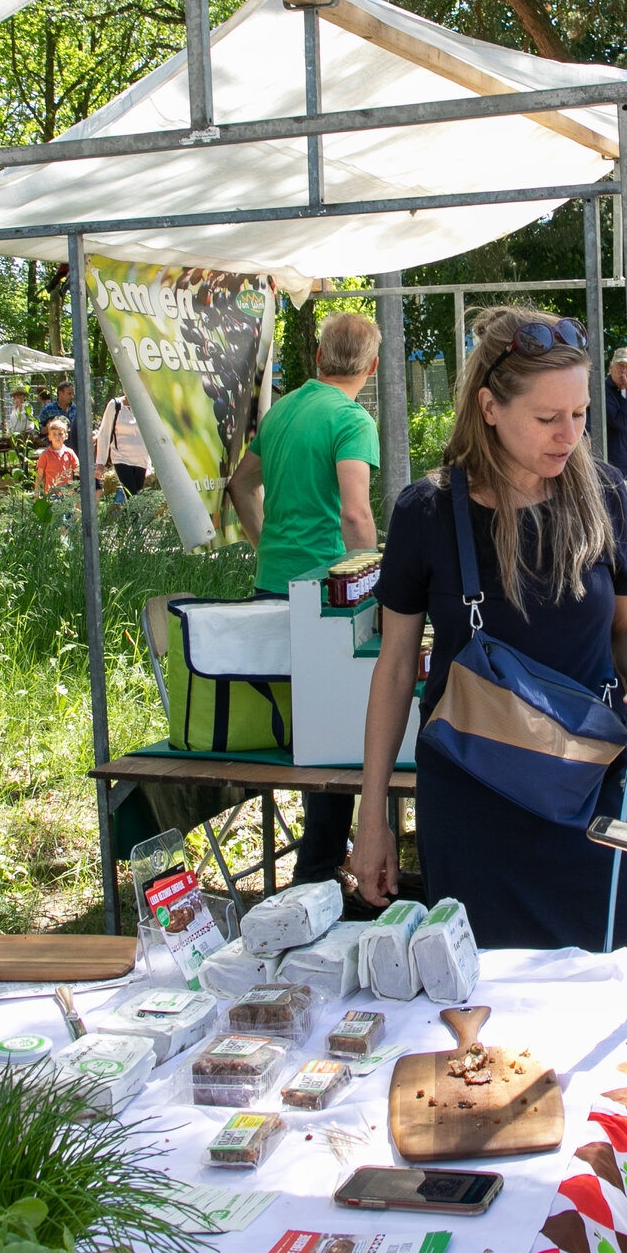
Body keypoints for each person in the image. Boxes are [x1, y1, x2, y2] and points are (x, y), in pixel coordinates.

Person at [351, 306, 627, 952]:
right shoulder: (426, 511)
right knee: (480, 1014)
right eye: (547, 418)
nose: (568, 434)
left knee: (612, 991)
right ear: (489, 406)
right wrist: (371, 812)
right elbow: (396, 666)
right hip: (474, 806)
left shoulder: (604, 494)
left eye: (579, 414)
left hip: (596, 792)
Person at [230, 311, 382, 885]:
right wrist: (374, 585)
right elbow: (356, 511)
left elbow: (241, 485)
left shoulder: (284, 409)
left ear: (318, 358)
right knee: (339, 725)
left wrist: (263, 542)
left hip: (272, 584)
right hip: (328, 591)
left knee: (301, 722)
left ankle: (324, 857)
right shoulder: (350, 418)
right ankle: (319, 867)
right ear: (372, 365)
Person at [91, 392, 148, 497]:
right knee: (131, 495)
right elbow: (104, 433)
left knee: (137, 497)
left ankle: (125, 513)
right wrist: (100, 463)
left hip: (141, 460)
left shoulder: (146, 405)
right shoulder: (115, 405)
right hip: (121, 458)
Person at [33, 418, 80, 499]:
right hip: (51, 494)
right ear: (49, 437)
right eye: (54, 434)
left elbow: (78, 471)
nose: (57, 437)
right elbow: (39, 476)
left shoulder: (70, 453)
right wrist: (36, 494)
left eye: (60, 434)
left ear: (66, 436)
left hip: (67, 494)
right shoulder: (45, 455)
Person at [604, 348, 627, 478]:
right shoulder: (604, 391)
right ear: (611, 367)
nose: (624, 371)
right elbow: (620, 423)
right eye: (620, 366)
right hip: (612, 466)